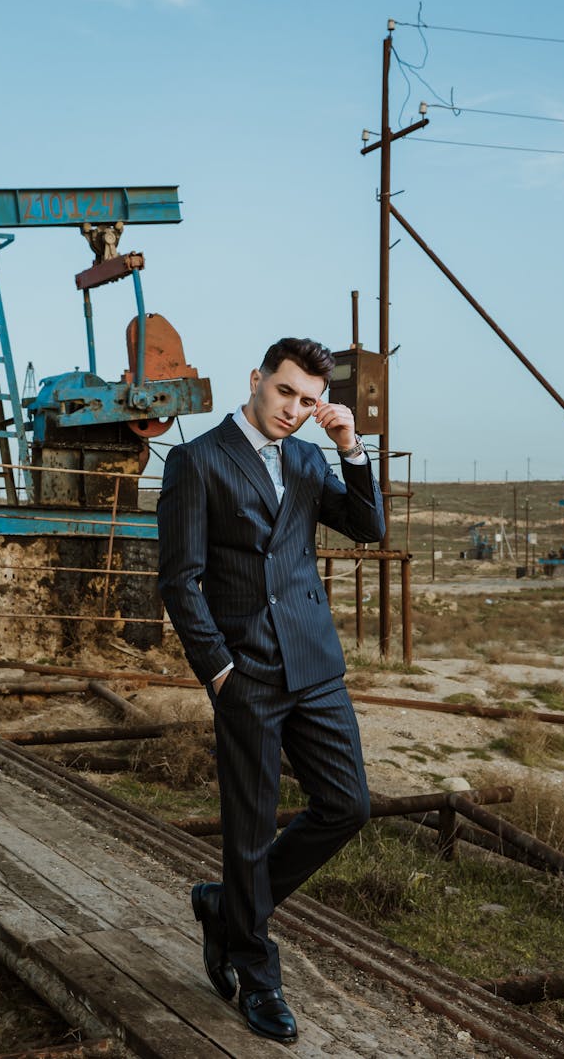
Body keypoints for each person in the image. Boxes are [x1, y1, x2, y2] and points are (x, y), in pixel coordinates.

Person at [157, 337, 385, 1044]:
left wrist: (350, 445)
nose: (295, 409)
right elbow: (179, 579)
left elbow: (369, 527)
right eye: (286, 391)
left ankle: (224, 907)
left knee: (347, 803)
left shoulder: (312, 457)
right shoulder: (197, 461)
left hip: (314, 664)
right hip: (247, 673)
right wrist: (219, 671)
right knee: (249, 830)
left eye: (310, 400)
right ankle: (257, 972)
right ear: (256, 379)